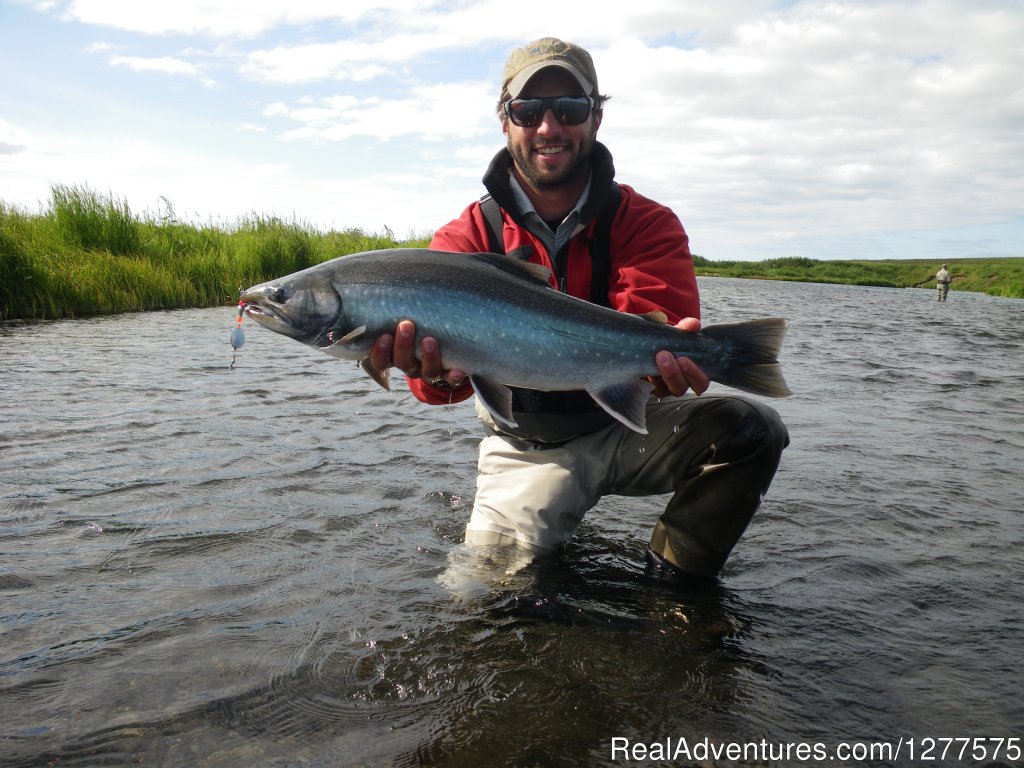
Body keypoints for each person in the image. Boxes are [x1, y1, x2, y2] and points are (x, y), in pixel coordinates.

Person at [366, 37, 789, 580]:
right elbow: (434, 391)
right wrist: (433, 372)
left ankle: (675, 588)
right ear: (505, 120)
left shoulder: (646, 222)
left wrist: (671, 368)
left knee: (752, 428)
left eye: (569, 109)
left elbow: (652, 334)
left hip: (626, 427)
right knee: (483, 605)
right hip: (525, 446)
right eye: (529, 110)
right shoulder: (464, 239)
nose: (549, 127)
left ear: (596, 117)